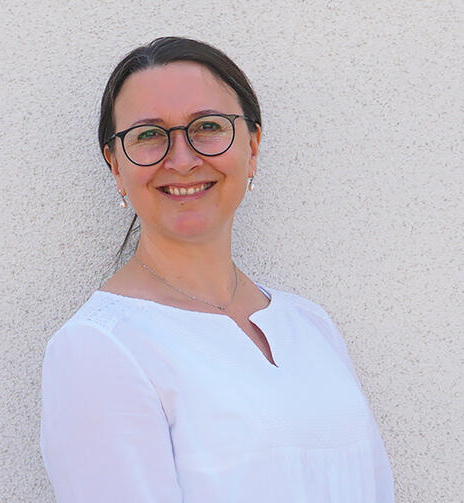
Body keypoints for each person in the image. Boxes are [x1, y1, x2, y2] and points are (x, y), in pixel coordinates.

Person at [39, 37, 395, 502]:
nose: (182, 160)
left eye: (207, 126)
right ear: (115, 166)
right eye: (148, 134)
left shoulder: (310, 324)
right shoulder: (101, 347)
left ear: (252, 146)